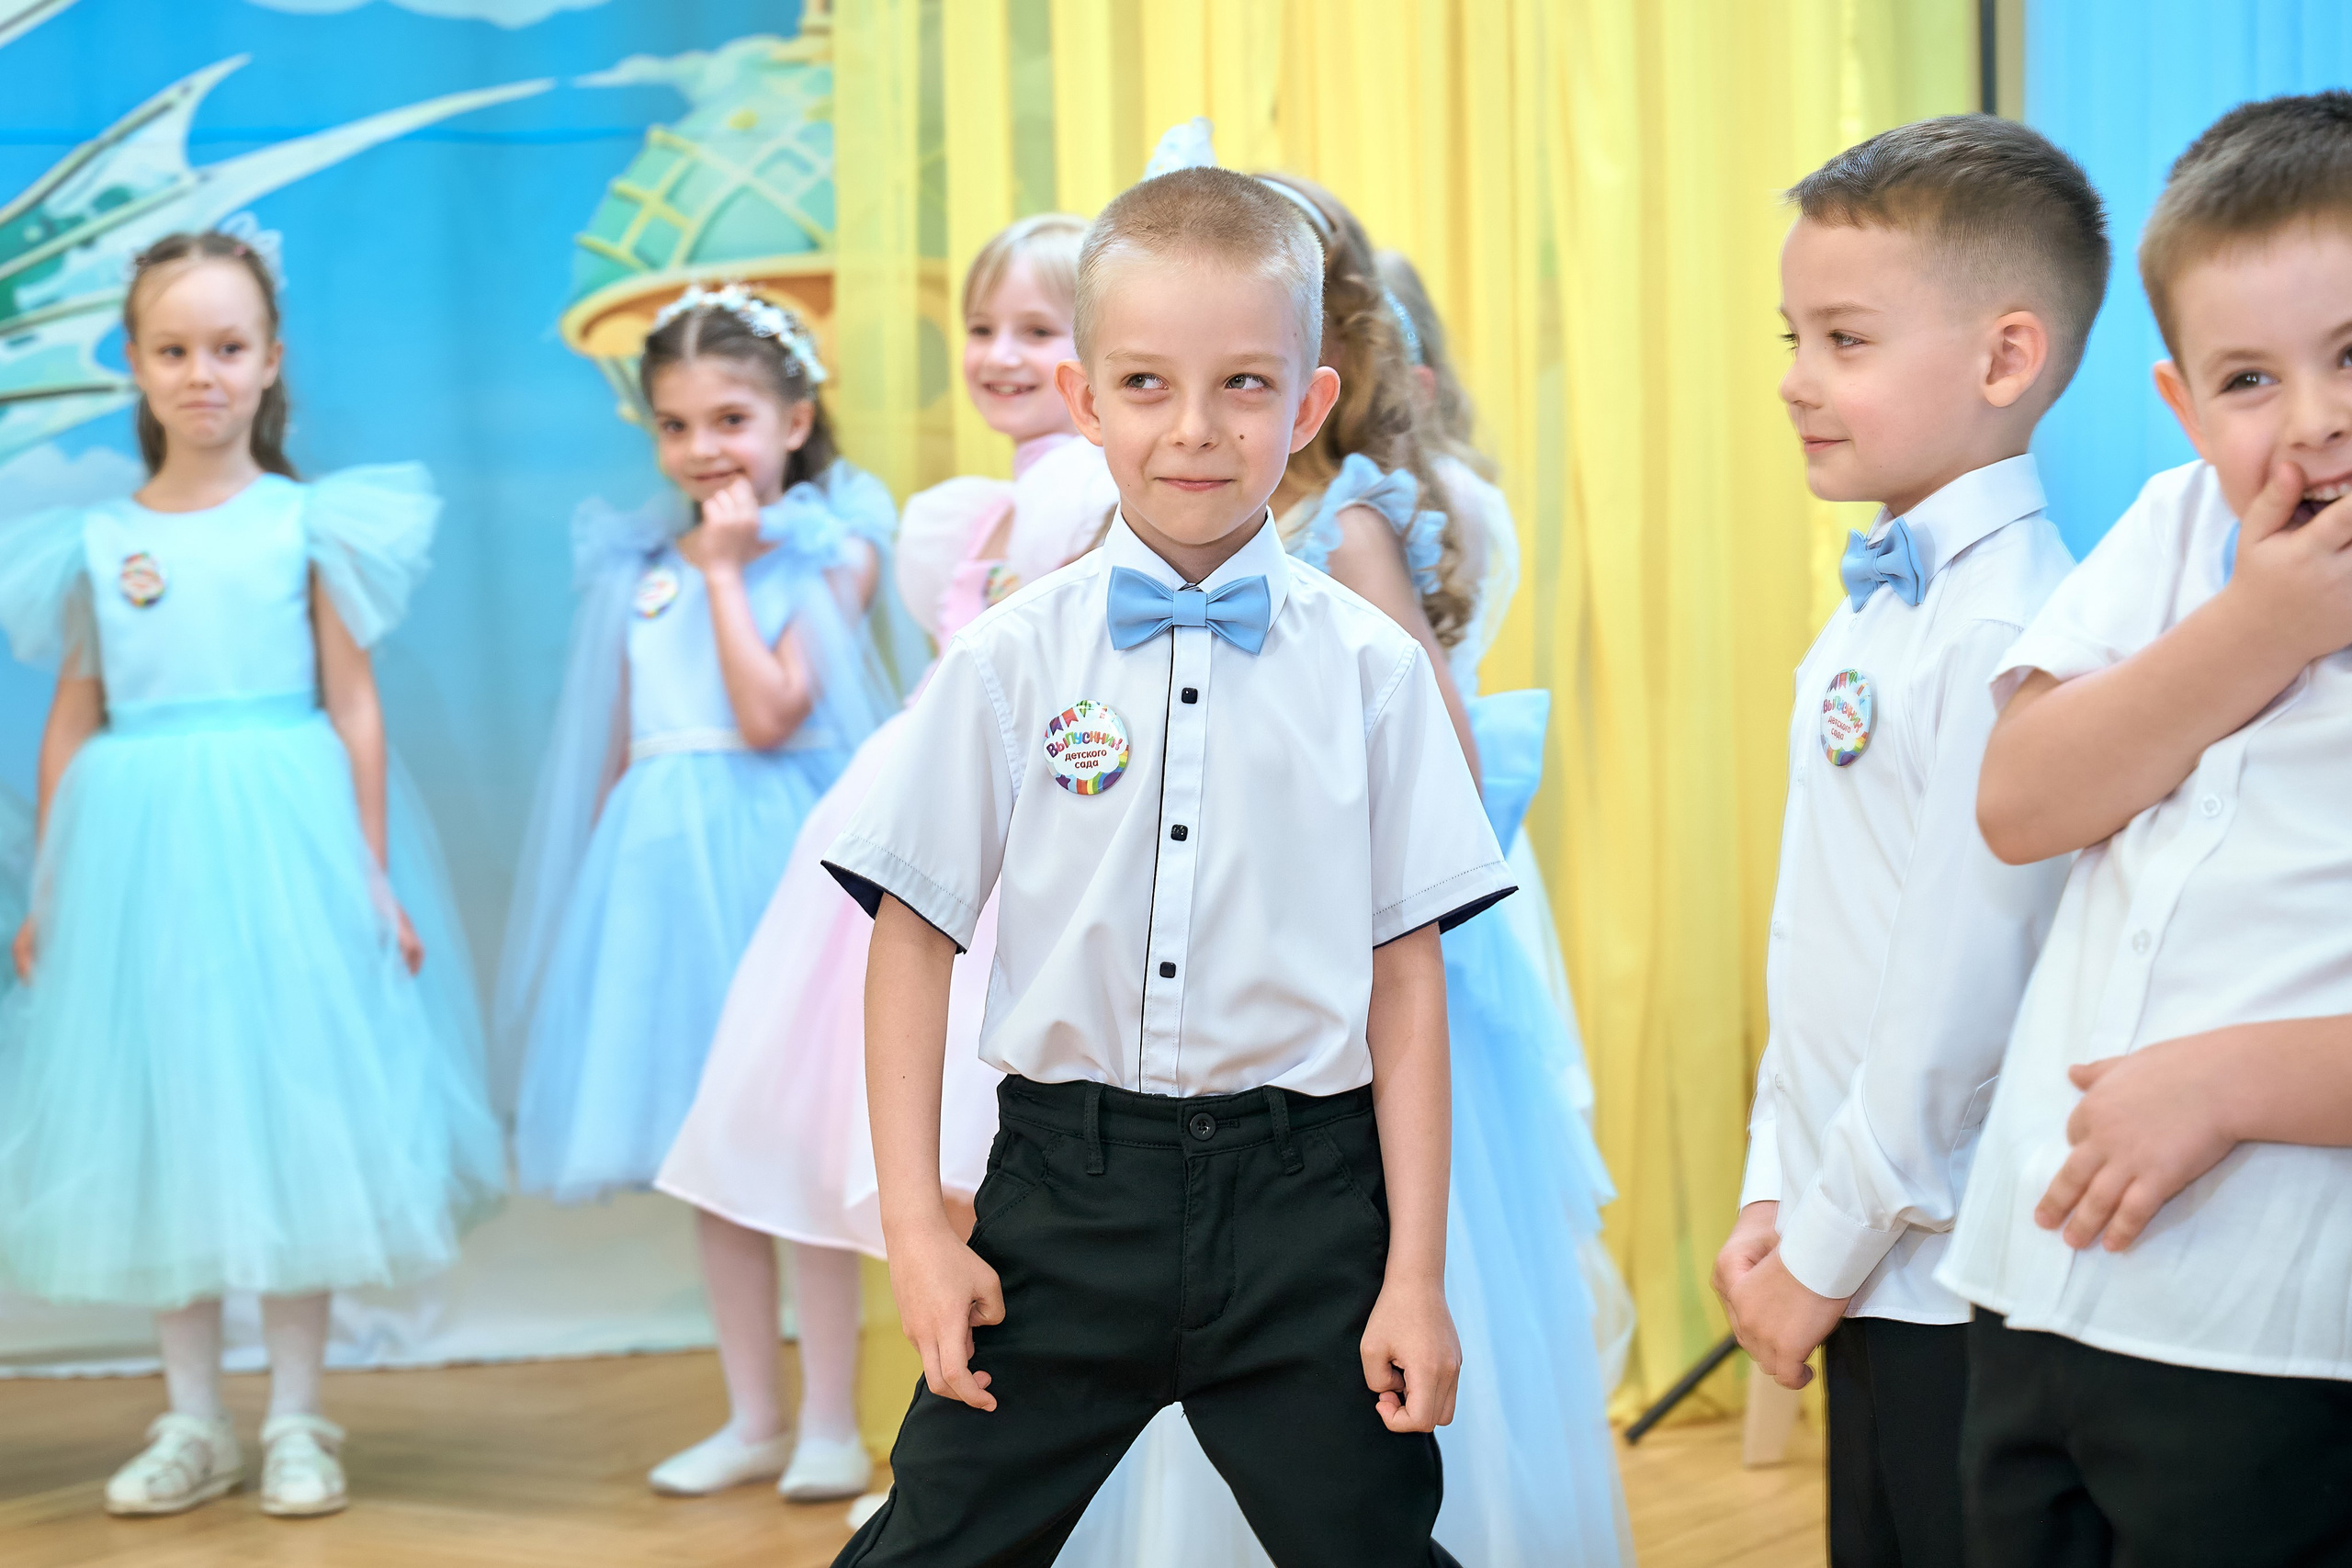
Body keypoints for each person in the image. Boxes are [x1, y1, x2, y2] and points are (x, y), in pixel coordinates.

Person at [823, 164, 1507, 1568]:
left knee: (1374, 1549)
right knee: (932, 1546)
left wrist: (1414, 1278)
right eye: (1145, 385)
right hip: (1064, 1200)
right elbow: (912, 933)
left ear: (1311, 405)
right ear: (1085, 402)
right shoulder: (1010, 658)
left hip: (1310, 1205)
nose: (1194, 430)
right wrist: (918, 1228)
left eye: (1246, 385)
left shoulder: (1375, 674)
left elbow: (1408, 977)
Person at [1061, 148, 1629, 1568]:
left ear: (1319, 358)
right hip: (1222, 966)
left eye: (1247, 368)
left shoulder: (1350, 522)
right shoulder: (1170, 539)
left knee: (1335, 1282)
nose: (1201, 407)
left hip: (1354, 960)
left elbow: (1430, 774)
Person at [0, 231, 503, 1518]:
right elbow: (74, 713)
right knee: (163, 1123)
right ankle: (191, 1420)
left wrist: (371, 877)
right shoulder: (98, 542)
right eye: (174, 350)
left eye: (229, 348)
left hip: (284, 849)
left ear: (271, 361)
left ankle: (294, 1417)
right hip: (137, 864)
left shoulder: (303, 524)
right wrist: (56, 888)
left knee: (294, 1121)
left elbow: (355, 705)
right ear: (136, 362)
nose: (203, 374)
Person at [649, 213, 1114, 1503]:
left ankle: (990, 1458)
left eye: (1037, 328)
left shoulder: (1079, 486)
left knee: (976, 1165)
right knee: (929, 1167)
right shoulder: (986, 502)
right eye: (981, 329)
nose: (1000, 354)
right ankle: (941, 1442)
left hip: (1017, 838)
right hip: (931, 810)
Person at [1945, 92, 2352, 1567]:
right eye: (2253, 379)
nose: (2314, 420)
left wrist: (2233, 1083)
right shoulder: (2179, 534)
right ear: (2184, 406)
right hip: (2033, 1290)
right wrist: (2265, 621)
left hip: (2275, 1336)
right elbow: (2024, 800)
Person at [1707, 117, 2105, 1568]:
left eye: (1845, 340)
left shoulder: (2008, 635)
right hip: (1855, 1249)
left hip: (1945, 1272)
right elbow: (1822, 940)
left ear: (2006, 360)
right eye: (1793, 334)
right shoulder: (1877, 605)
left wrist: (1817, 1253)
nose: (1796, 379)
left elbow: (1961, 997)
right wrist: (1772, 1193)